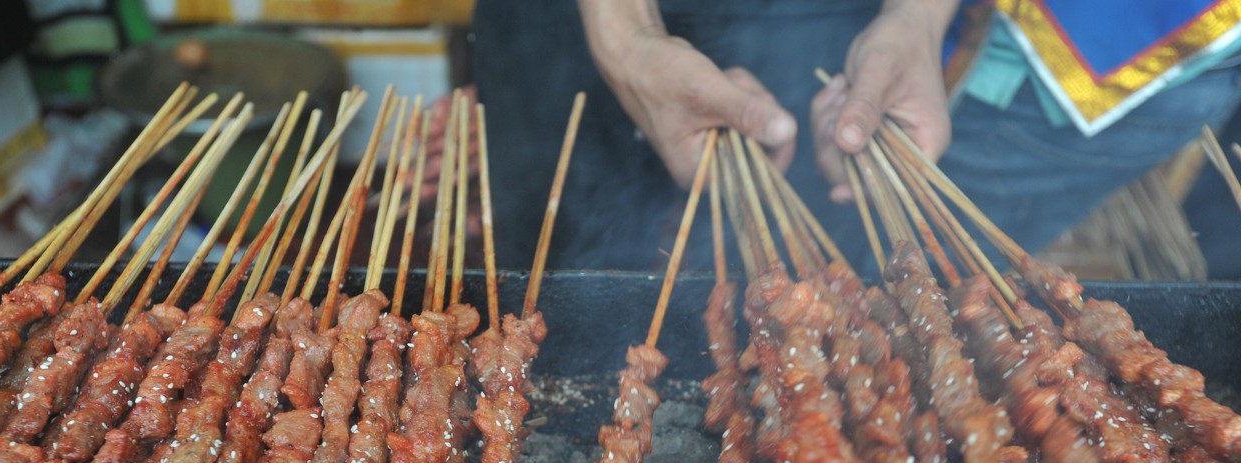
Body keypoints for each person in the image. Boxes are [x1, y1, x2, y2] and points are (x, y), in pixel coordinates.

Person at [473, 0, 1241, 274]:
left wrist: (916, 16)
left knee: (832, 266)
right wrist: (624, 39)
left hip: (826, 12)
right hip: (570, 23)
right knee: (557, 284)